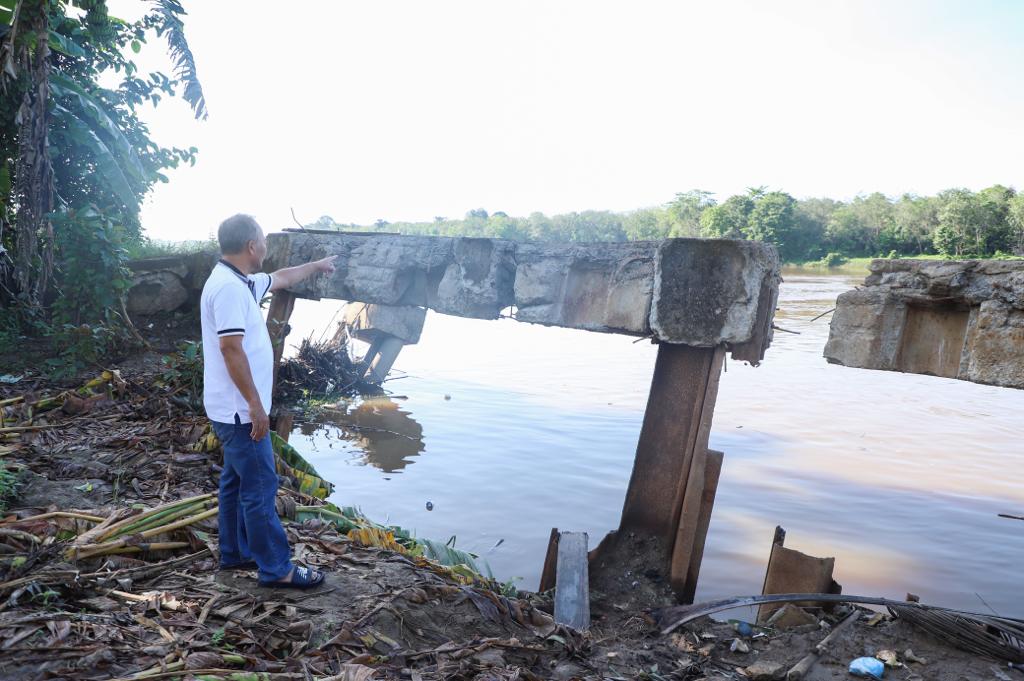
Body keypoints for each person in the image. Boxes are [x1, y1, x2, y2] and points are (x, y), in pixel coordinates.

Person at [200, 214, 336, 589]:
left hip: (231, 409)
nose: (267, 247)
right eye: (263, 240)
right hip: (240, 411)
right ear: (251, 246)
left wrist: (317, 266)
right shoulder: (228, 289)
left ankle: (235, 552)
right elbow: (231, 349)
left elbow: (282, 278)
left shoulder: (241, 281)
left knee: (235, 482)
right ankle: (278, 569)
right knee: (260, 488)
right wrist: (256, 407)